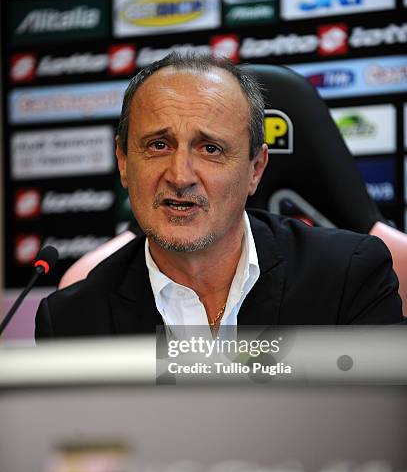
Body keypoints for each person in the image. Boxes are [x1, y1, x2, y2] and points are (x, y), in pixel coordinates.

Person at [35, 53, 404, 339]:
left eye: (210, 148)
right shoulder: (71, 320)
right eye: (159, 145)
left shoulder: (349, 277)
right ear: (124, 162)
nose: (180, 176)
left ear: (255, 169)